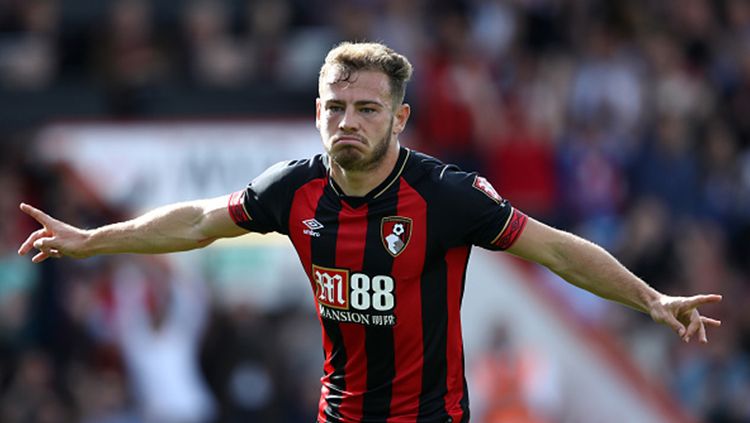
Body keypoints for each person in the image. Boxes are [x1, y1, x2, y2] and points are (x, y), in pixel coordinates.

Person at [18, 42, 722, 423]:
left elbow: (558, 249)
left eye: (365, 108)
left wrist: (651, 299)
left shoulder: (445, 195)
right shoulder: (293, 188)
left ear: (399, 117)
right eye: (335, 107)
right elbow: (199, 221)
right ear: (316, 110)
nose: (347, 121)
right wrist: (91, 238)